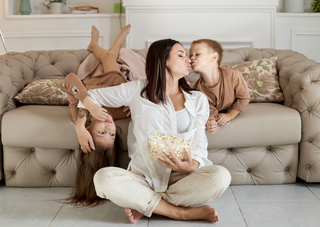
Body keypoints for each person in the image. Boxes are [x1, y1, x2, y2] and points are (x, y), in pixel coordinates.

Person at [77, 35, 231, 223]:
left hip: (182, 178)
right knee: (102, 178)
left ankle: (147, 204)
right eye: (181, 55)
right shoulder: (137, 90)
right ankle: (180, 212)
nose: (188, 60)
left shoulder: (197, 99)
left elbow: (199, 142)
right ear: (162, 60)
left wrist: (191, 166)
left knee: (221, 176)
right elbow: (89, 96)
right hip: (144, 177)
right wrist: (80, 124)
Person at [63, 24, 132, 207]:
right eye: (112, 134)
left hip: (94, 83)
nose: (109, 128)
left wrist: (87, 110)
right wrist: (135, 106)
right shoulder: (119, 112)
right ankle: (98, 44)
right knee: (109, 57)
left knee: (108, 57)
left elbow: (70, 79)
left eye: (101, 133)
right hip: (116, 80)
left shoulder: (80, 115)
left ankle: (95, 44)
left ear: (89, 130)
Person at [189, 39, 250, 134]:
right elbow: (207, 109)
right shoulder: (197, 89)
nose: (191, 58)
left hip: (232, 104)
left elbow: (244, 98)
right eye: (190, 55)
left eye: (197, 54)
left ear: (214, 57)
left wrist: (229, 115)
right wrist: (210, 122)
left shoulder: (234, 76)